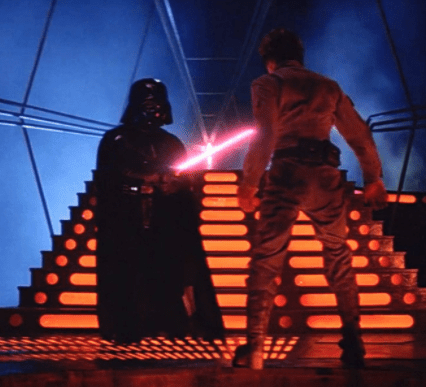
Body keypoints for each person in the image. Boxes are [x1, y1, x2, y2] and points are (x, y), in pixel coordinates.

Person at [233, 29, 388, 369]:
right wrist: (373, 179)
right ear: (300, 57)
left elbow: (266, 134)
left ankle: (254, 348)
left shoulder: (268, 83)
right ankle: (353, 340)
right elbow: (359, 134)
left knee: (267, 257)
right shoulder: (328, 86)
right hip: (325, 175)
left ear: (270, 61)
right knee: (337, 253)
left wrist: (249, 183)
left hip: (287, 172)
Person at [94, 78, 225, 344]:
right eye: (147, 105)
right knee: (126, 274)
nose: (152, 112)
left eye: (157, 106)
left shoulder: (171, 143)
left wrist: (173, 185)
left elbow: (183, 179)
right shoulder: (116, 140)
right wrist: (143, 181)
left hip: (163, 217)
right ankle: (126, 325)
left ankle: (168, 322)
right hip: (126, 217)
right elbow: (107, 178)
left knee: (164, 272)